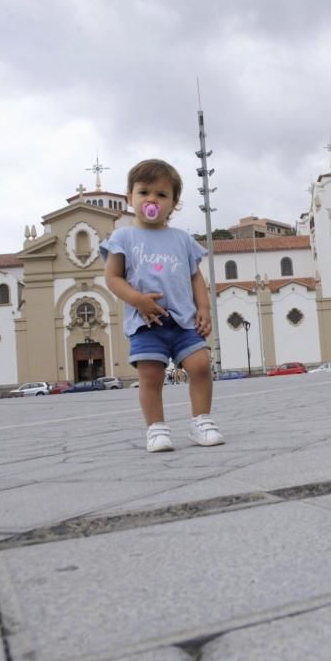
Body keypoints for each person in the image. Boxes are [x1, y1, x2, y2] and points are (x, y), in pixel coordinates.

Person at [101, 159, 226, 453]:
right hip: (147, 323)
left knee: (200, 366)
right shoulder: (123, 237)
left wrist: (204, 309)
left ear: (174, 203)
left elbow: (196, 278)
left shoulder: (182, 240)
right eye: (144, 192)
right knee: (151, 374)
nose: (151, 200)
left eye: (161, 194)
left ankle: (201, 421)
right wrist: (137, 300)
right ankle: (156, 429)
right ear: (130, 197)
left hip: (184, 320)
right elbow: (113, 277)